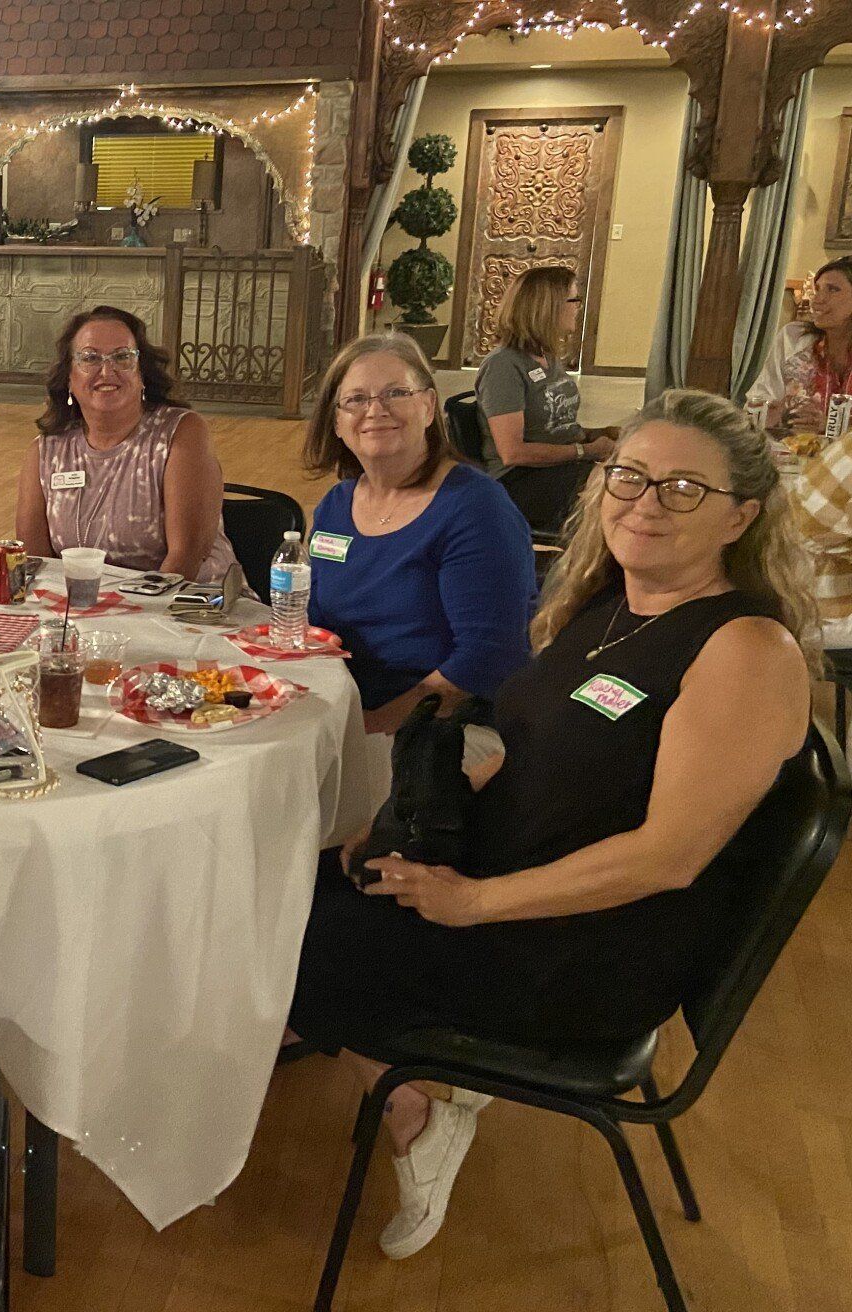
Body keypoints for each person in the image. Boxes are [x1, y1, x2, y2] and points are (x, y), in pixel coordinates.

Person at [290, 388, 814, 1261]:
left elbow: (670, 858)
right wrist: (402, 828)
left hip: (586, 952)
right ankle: (427, 1086)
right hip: (522, 893)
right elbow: (537, 758)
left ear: (742, 518)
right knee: (297, 881)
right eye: (630, 476)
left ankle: (419, 1113)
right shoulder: (613, 606)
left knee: (287, 935)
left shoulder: (746, 652)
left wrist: (475, 902)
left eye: (684, 489)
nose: (646, 503)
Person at [303, 333, 536, 735]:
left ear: (429, 407)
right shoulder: (335, 507)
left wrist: (367, 728)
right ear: (337, 422)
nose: (375, 410)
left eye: (396, 392)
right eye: (355, 399)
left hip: (446, 727)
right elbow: (318, 624)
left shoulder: (476, 508)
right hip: (346, 710)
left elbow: (489, 657)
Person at [14, 305, 240, 582]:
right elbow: (38, 564)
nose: (107, 371)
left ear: (142, 373)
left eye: (122, 357)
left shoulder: (181, 433)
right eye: (90, 358)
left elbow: (186, 558)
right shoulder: (46, 451)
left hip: (191, 609)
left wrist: (126, 616)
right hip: (85, 611)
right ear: (69, 378)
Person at [474, 264, 619, 535]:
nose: (578, 307)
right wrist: (586, 451)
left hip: (559, 465)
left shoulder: (548, 357)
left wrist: (599, 434)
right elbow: (512, 452)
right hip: (520, 480)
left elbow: (555, 427)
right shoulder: (504, 366)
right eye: (573, 299)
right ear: (547, 307)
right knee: (617, 489)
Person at [746, 255, 852, 437]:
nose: (817, 299)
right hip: (791, 455)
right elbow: (754, 407)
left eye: (833, 289)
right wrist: (786, 415)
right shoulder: (793, 338)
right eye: (817, 289)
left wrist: (830, 426)